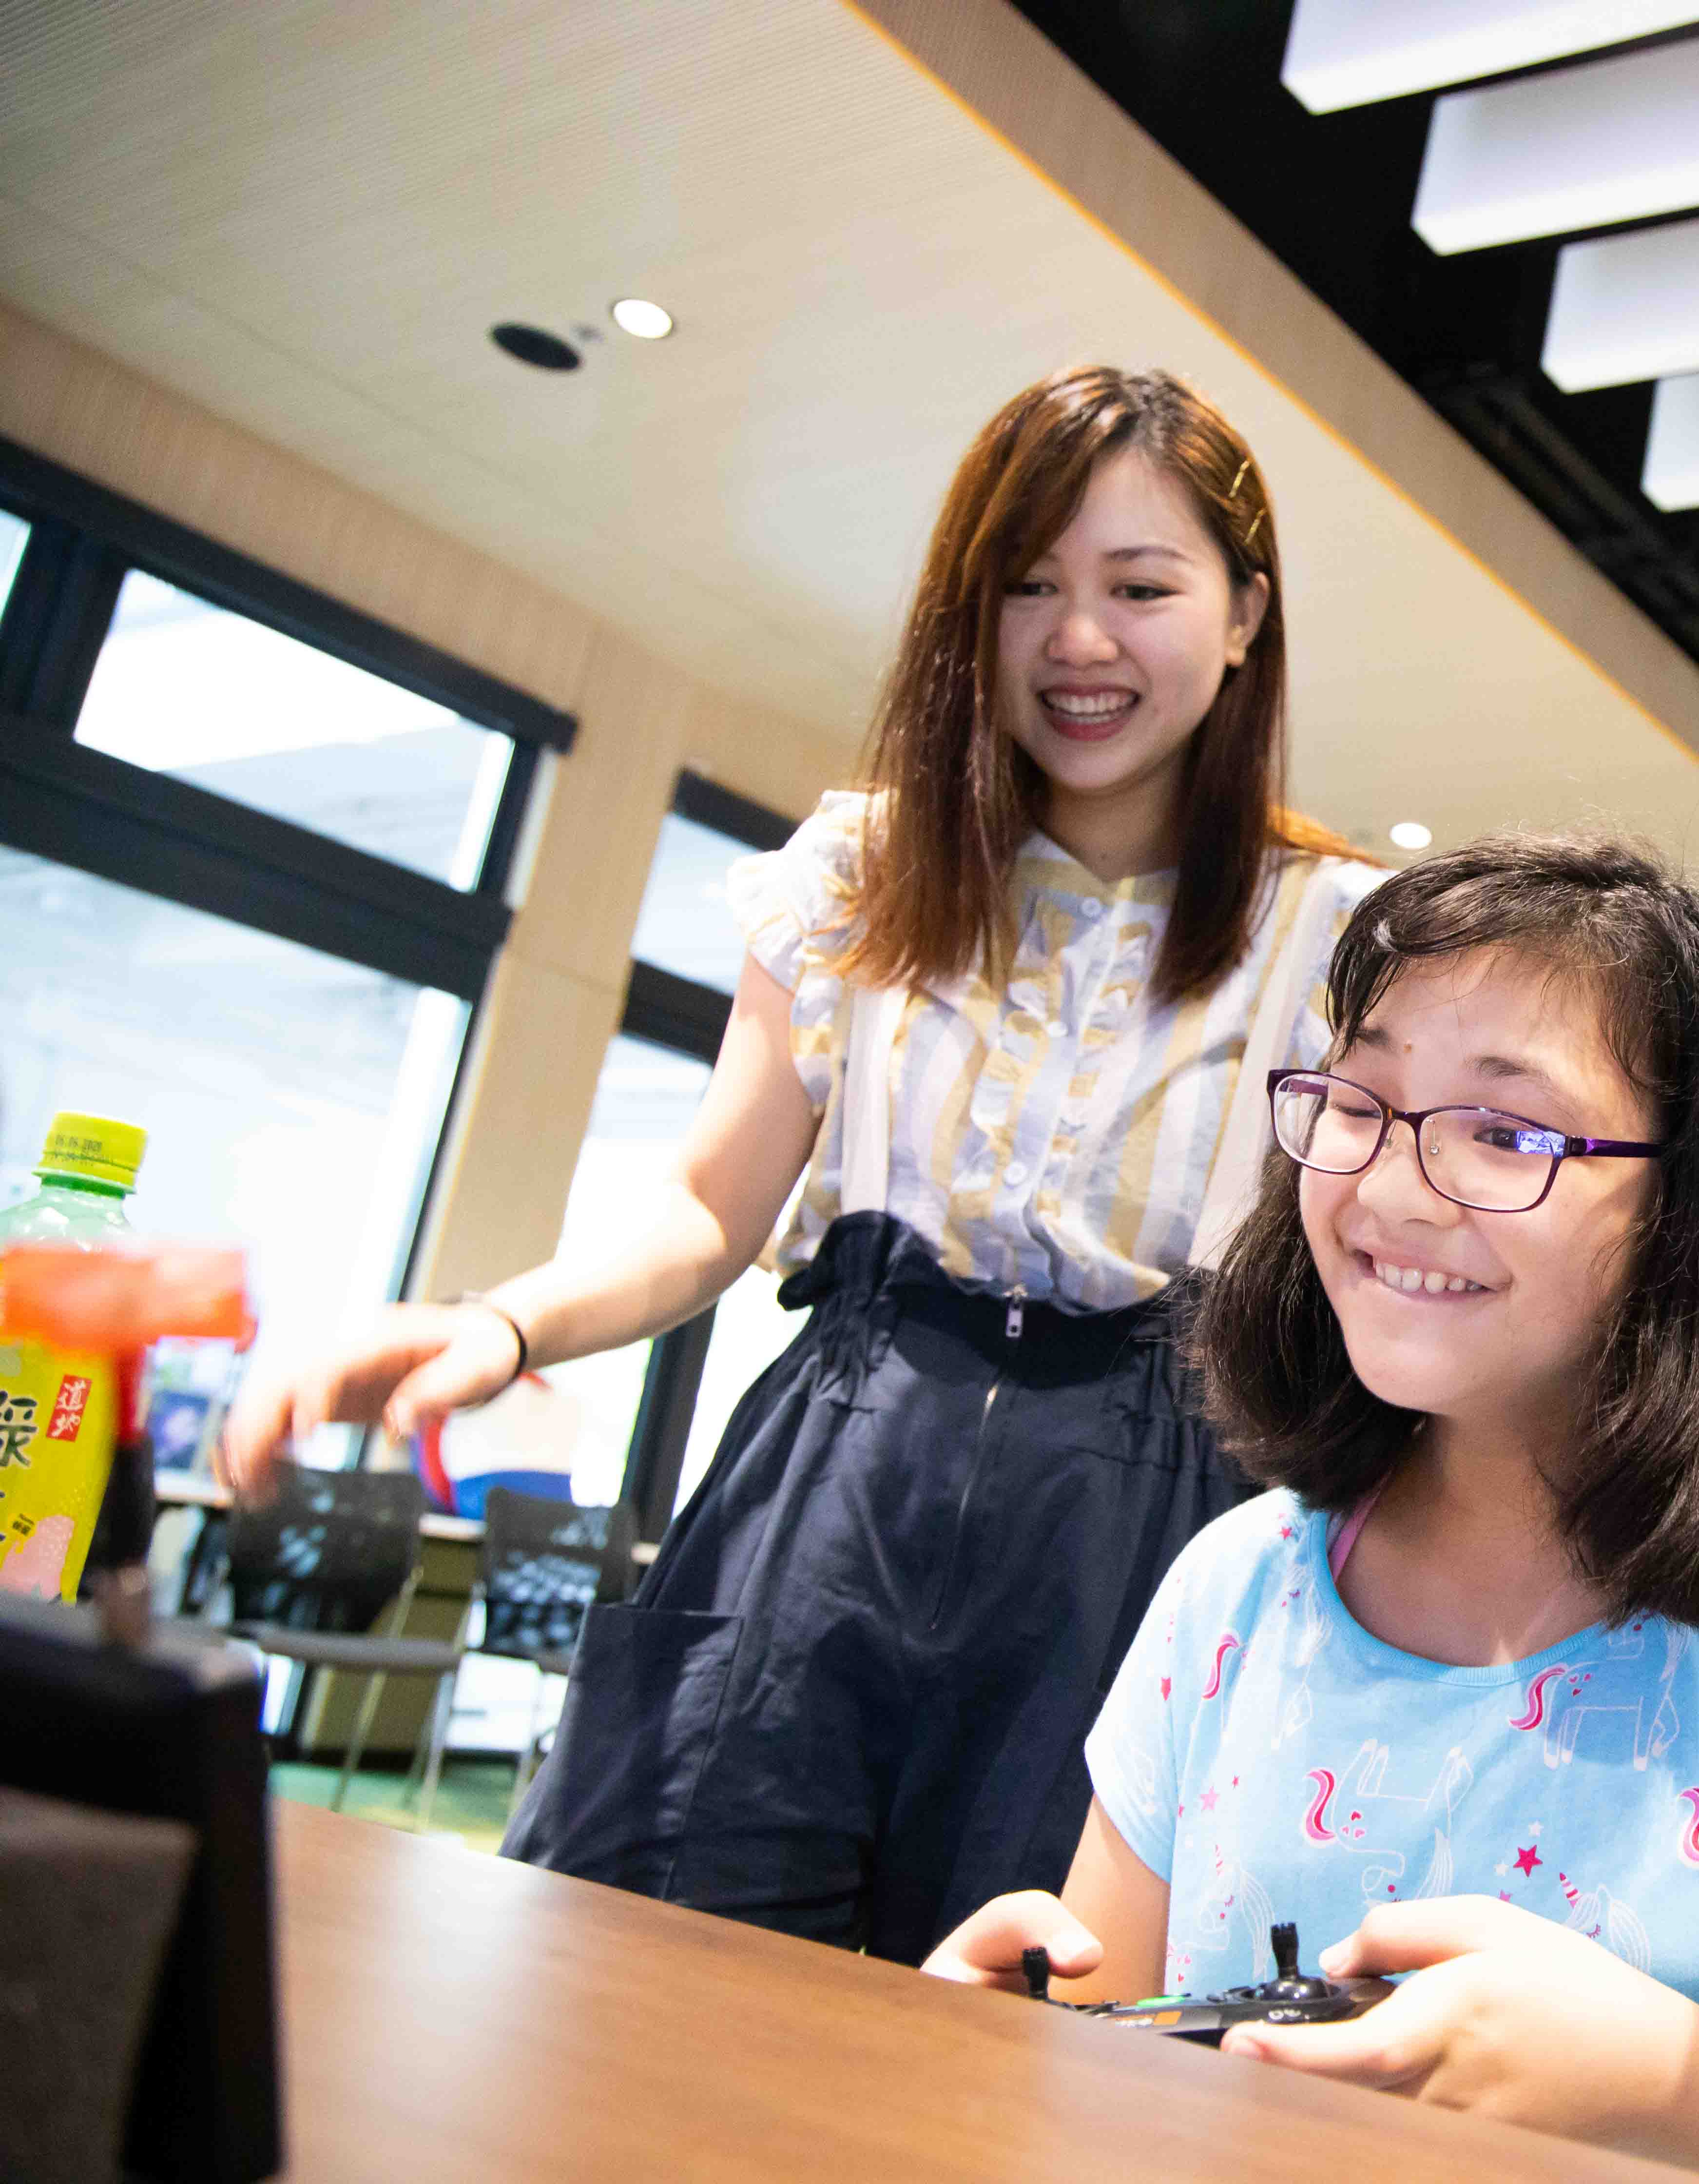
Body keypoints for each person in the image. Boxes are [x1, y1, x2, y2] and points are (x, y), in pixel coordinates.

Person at [218, 367, 1382, 1961]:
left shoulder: (1341, 939)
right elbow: (709, 1208)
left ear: (1244, 616)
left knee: (1025, 2033)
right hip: (834, 1482)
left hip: (1149, 1532)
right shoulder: (861, 869)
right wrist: (495, 1325)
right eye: (1026, 585)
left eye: (1139, 588)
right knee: (662, 1967)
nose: (1077, 639)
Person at [924, 836, 1699, 2183]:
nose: (1393, 1193)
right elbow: (1119, 2057)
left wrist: (1661, 2085)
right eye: (1362, 1103)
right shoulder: (1236, 1587)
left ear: (1685, 1209)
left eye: (1507, 1134)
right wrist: (1013, 2054)